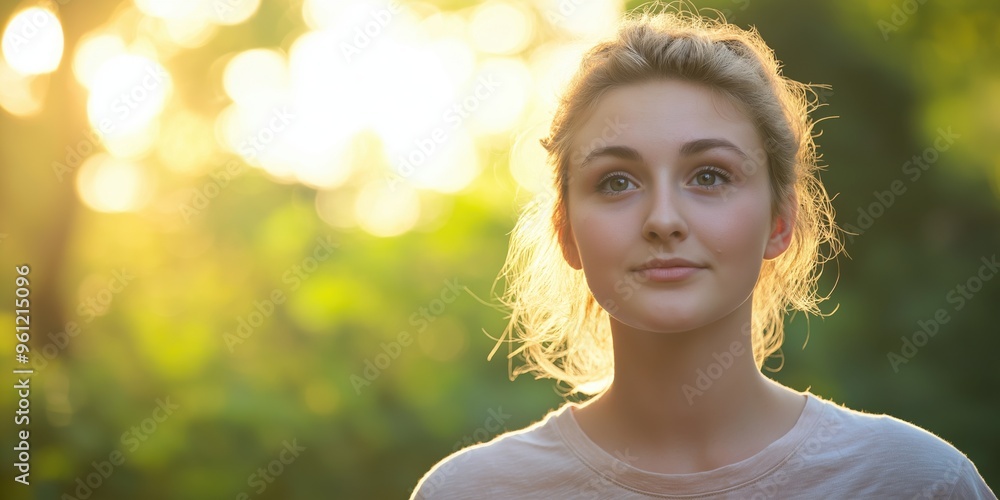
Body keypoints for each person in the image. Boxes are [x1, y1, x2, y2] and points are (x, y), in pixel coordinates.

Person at [410, 4, 996, 499]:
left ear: (780, 220)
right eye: (617, 181)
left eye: (710, 176)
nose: (664, 220)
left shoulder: (916, 483)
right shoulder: (470, 491)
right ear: (566, 232)